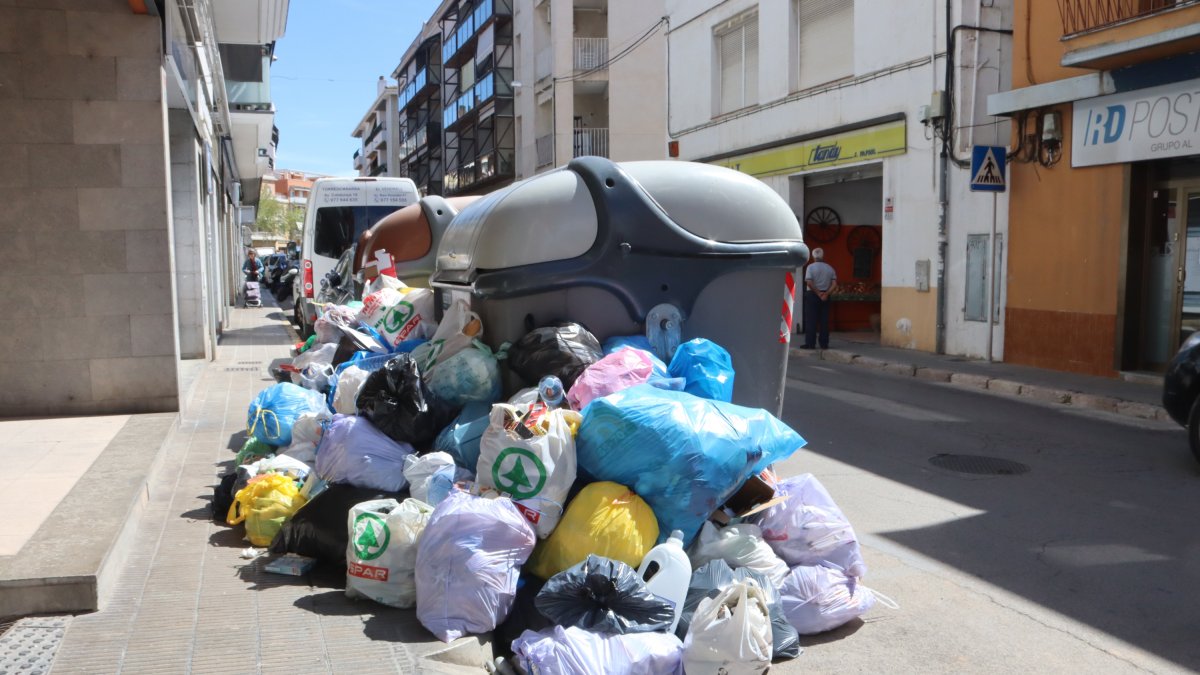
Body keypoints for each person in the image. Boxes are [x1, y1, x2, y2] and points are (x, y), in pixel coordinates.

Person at [801, 247, 838, 350]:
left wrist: (818, 293)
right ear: (823, 256)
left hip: (812, 295)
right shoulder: (830, 268)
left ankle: (810, 343)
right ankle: (824, 343)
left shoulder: (810, 268)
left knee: (811, 320)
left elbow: (809, 282)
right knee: (824, 321)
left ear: (813, 256)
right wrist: (825, 294)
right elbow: (834, 284)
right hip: (825, 297)